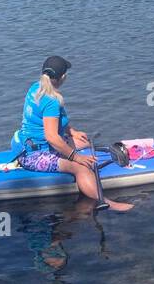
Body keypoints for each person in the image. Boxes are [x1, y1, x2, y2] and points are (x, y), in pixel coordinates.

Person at [12, 56, 133, 212]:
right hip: (33, 155)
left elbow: (53, 122)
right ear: (63, 77)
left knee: (84, 143)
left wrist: (72, 132)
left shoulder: (36, 87)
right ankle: (107, 203)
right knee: (81, 168)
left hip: (26, 144)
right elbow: (52, 137)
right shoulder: (51, 101)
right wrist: (77, 158)